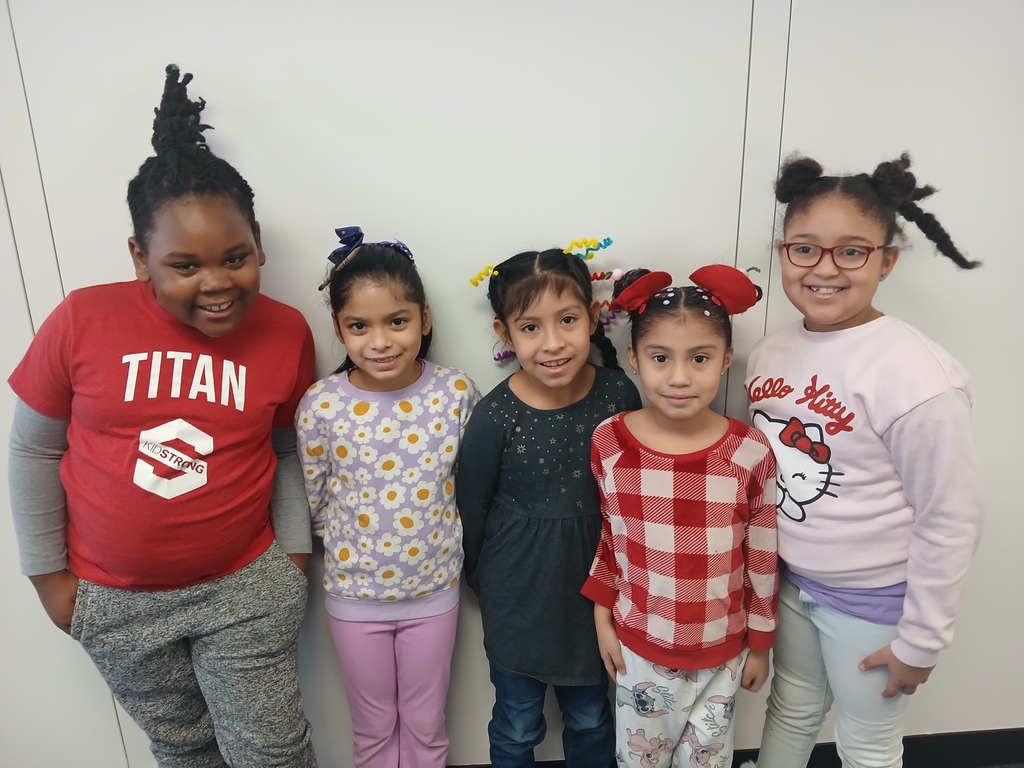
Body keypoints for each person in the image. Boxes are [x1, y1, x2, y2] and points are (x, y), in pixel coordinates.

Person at [7, 65, 317, 767]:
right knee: (183, 751)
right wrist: (49, 580)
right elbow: (33, 451)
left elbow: (285, 451)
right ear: (140, 258)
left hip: (246, 590)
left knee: (272, 753)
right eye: (185, 265)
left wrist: (292, 564)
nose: (217, 283)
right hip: (114, 603)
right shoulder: (81, 320)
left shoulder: (286, 332)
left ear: (258, 242)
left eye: (235, 257)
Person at [745, 153, 984, 768]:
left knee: (867, 744)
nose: (825, 268)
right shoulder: (769, 353)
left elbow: (950, 516)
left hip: (875, 601)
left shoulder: (916, 377)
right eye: (805, 248)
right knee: (790, 711)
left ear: (886, 261)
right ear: (783, 253)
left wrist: (921, 642)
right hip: (792, 583)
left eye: (851, 251)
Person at [296, 226, 479, 768]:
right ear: (339, 328)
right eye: (360, 326)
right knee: (373, 729)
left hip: (435, 593)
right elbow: (316, 497)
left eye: (397, 321)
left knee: (426, 725)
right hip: (354, 598)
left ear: (424, 319)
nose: (380, 342)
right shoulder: (321, 405)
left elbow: (470, 486)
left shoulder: (455, 393)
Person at [583, 264, 778, 768]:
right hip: (639, 650)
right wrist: (603, 619)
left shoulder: (749, 451)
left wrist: (760, 644)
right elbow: (610, 537)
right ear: (634, 358)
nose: (679, 377)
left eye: (700, 358)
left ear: (726, 359)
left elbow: (761, 556)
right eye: (660, 357)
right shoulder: (610, 441)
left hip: (723, 655)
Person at [457, 248, 642, 768]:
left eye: (567, 320)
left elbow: (636, 495)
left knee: (591, 718)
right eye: (530, 327)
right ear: (504, 332)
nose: (553, 343)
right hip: (518, 601)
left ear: (593, 317)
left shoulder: (618, 395)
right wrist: (481, 580)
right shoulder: (495, 416)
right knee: (517, 725)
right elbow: (472, 508)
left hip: (596, 599)